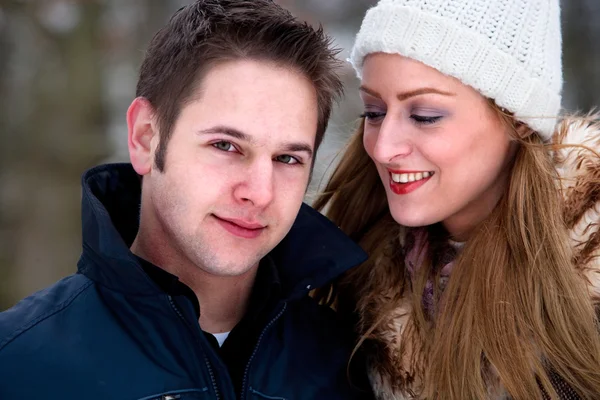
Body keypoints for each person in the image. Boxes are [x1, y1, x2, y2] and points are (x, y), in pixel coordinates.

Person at [0, 1, 372, 399]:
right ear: (145, 137)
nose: (260, 192)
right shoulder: (18, 364)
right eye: (226, 146)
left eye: (287, 158)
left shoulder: (351, 369)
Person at [314, 0, 600, 398]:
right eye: (374, 112)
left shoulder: (588, 282)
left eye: (426, 115)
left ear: (517, 117)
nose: (382, 149)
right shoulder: (353, 282)